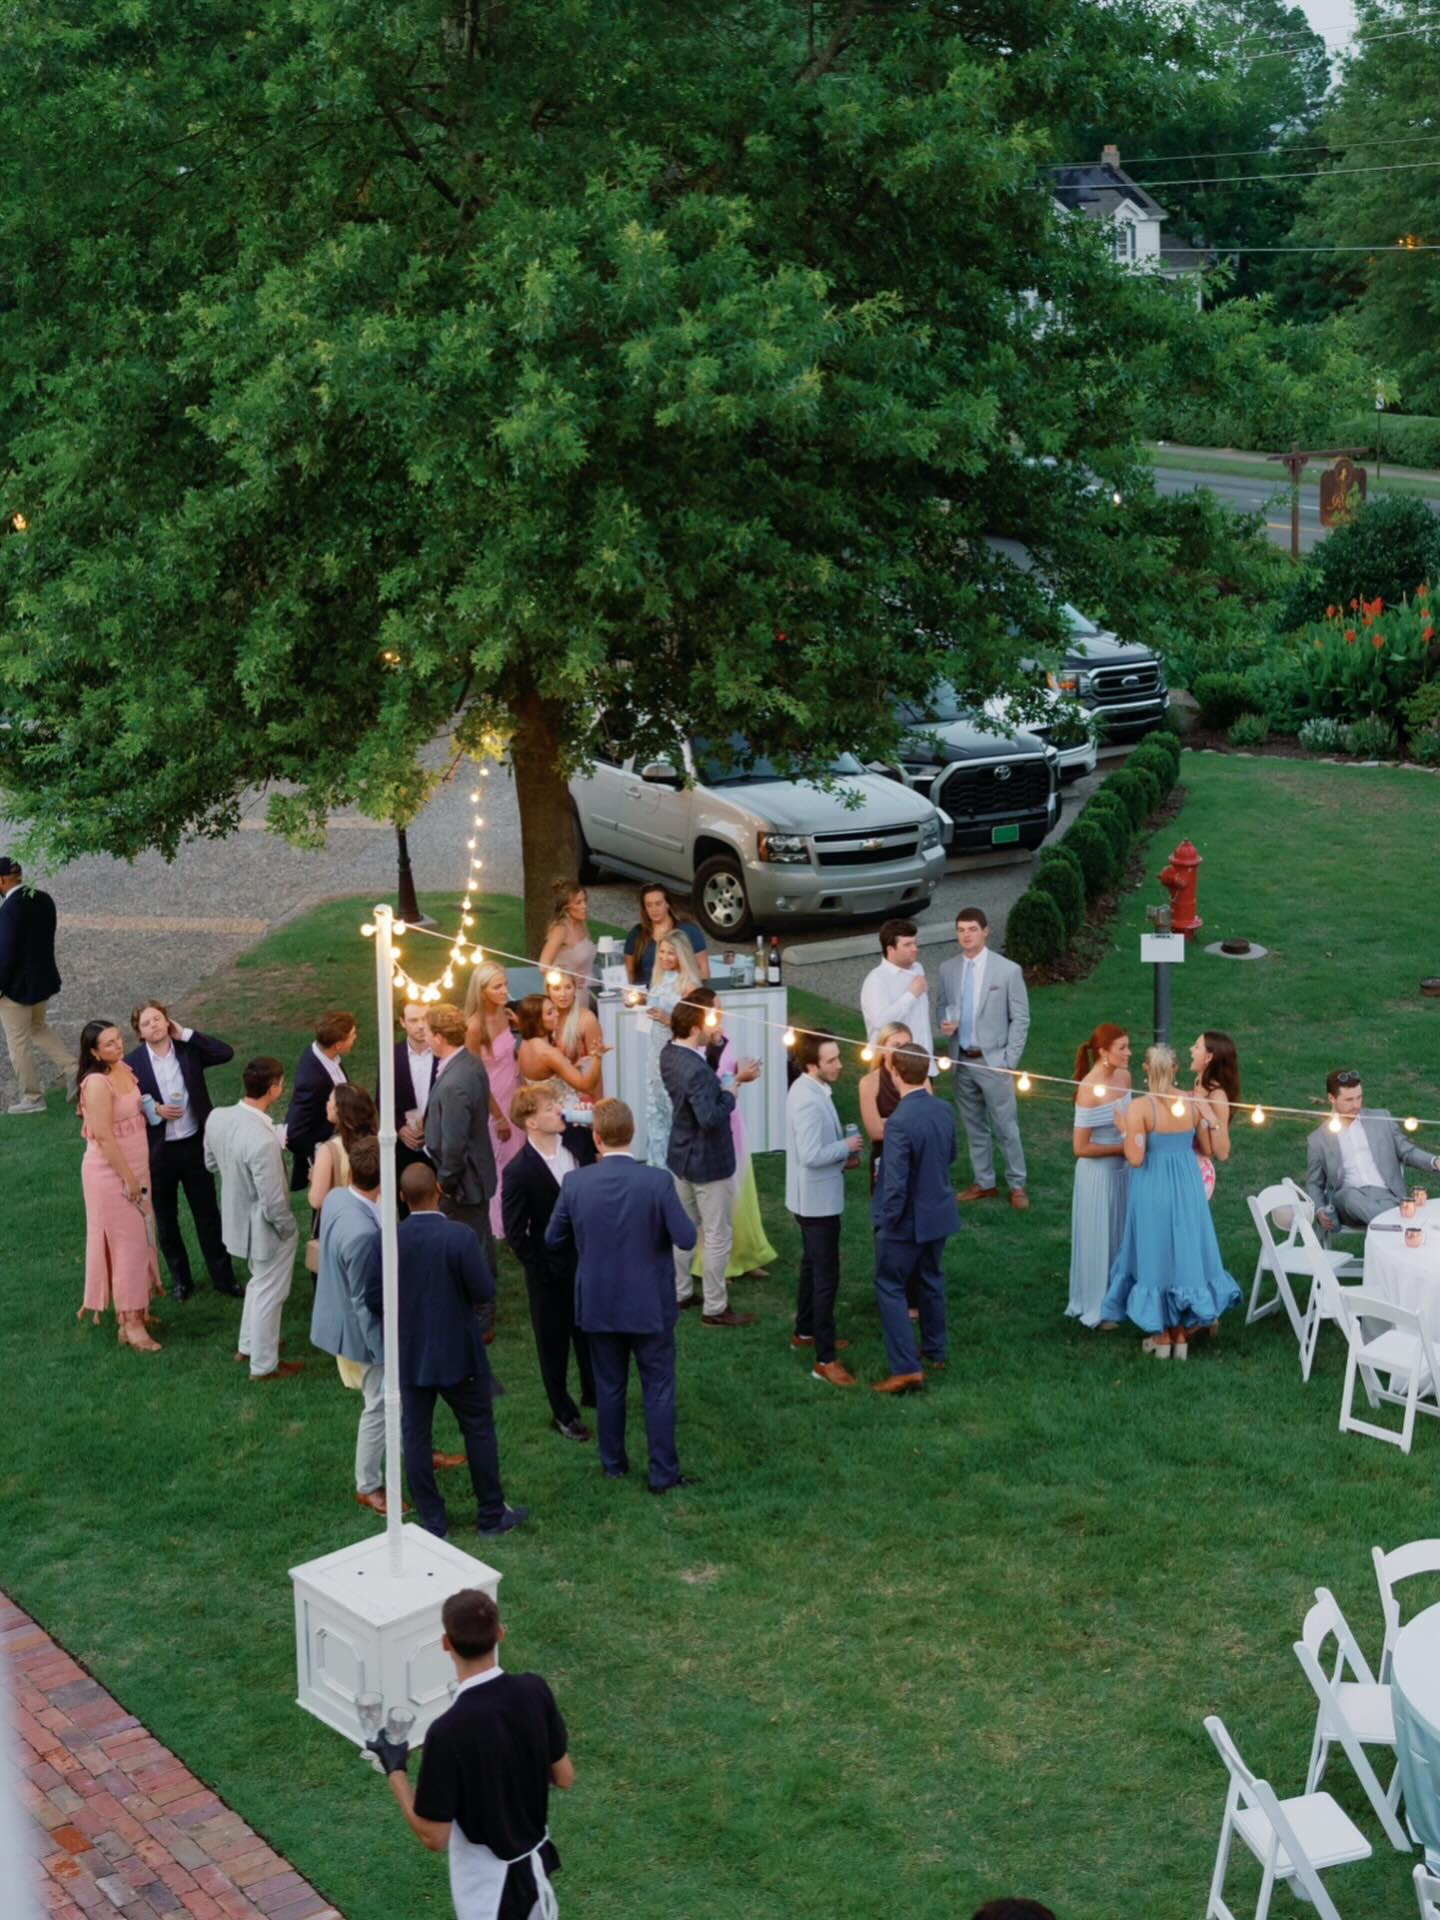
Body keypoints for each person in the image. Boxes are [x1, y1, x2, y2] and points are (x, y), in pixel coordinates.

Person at [369, 1587, 573, 1920]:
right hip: (535, 1873)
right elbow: (564, 1777)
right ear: (500, 1633)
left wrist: (395, 1770)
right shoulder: (534, 1689)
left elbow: (434, 1837)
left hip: (490, 1892)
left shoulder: (447, 1732)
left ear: (446, 1643)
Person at [545, 1098, 699, 1491]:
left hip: (599, 1302)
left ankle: (614, 1465)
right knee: (658, 1388)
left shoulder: (576, 1183)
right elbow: (686, 1237)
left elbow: (552, 1238)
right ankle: (663, 1474)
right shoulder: (656, 1182)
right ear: (631, 1133)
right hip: (650, 1304)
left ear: (596, 1137)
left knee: (609, 1386)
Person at [386, 1162, 526, 1539]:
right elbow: (483, 1290)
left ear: (402, 1197)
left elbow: (372, 1296)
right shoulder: (459, 1236)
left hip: (410, 1354)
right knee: (478, 1430)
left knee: (415, 1437)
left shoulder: (389, 1239)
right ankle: (491, 1516)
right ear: (438, 1191)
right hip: (458, 1353)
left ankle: (433, 1524)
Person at [1099, 1046, 1242, 1359]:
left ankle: (1162, 1336)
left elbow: (1135, 1158)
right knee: (1185, 1253)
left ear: (1146, 1069)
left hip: (1153, 1187)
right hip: (1188, 1187)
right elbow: (1206, 1148)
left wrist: (1125, 1130)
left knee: (1156, 1252)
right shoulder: (1192, 1102)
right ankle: (1180, 1335)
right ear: (1175, 1069)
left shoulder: (1140, 1108)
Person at [500, 1084, 597, 1443]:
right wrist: (541, 1268)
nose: (559, 1110)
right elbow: (515, 1232)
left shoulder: (578, 1143)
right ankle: (564, 1413)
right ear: (531, 1122)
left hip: (588, 1260)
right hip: (549, 1272)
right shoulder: (519, 1170)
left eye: (557, 1104)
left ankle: (594, 1392)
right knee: (553, 1344)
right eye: (549, 1107)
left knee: (590, 1332)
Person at [125, 1001, 240, 1300]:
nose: (154, 1026)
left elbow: (225, 1053)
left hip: (194, 1144)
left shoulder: (188, 1050)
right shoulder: (132, 1063)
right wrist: (154, 1109)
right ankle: (181, 1281)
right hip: (159, 1152)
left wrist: (186, 1033)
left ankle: (223, 1278)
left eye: (158, 1019)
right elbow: (126, 1104)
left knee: (208, 1214)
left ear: (168, 1021)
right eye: (146, 1023)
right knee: (167, 1220)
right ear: (139, 1032)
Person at [204, 1058, 305, 1381]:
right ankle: (263, 1365)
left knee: (259, 1285)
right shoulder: (263, 1141)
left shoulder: (217, 1117)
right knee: (270, 1293)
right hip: (265, 1228)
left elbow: (210, 1163)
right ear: (273, 1089)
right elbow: (274, 1201)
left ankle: (249, 1345)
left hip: (236, 1218)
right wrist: (289, 1228)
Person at [870, 1043, 960, 1393]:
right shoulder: (944, 1109)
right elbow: (950, 1155)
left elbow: (895, 1183)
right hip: (939, 1212)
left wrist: (887, 1221)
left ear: (895, 1073)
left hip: (906, 1220)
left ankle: (906, 1368)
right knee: (930, 1279)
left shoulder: (899, 1122)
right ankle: (935, 1350)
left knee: (890, 1286)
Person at [310, 1135, 392, 1514]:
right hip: (363, 1332)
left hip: (341, 1310)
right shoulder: (363, 1235)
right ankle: (368, 1484)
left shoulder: (337, 1197)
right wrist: (382, 1352)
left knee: (396, 1401)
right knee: (378, 1404)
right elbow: (363, 1302)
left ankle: (413, 1449)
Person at [661, 1001, 754, 1328]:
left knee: (684, 1229)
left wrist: (714, 1051)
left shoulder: (669, 1053)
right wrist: (732, 1089)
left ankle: (681, 1292)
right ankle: (715, 1307)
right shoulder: (697, 1071)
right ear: (694, 1028)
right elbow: (711, 1117)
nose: (714, 1027)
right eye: (708, 1023)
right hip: (708, 1161)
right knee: (717, 1235)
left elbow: (697, 1088)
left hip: (680, 1155)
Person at [75, 1019, 164, 1351]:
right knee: (128, 1245)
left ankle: (138, 1307)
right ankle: (130, 1323)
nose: (118, 1045)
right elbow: (103, 1135)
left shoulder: (123, 1069)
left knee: (142, 1238)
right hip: (112, 1173)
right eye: (109, 1043)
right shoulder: (97, 1083)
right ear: (94, 1052)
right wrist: (128, 1178)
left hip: (137, 1168)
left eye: (118, 1039)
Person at [937, 907, 1031, 1209]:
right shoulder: (947, 969)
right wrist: (944, 1023)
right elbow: (942, 1006)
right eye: (961, 930)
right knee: (974, 1125)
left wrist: (1009, 1059)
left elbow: (1021, 1018)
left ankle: (1017, 1184)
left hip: (994, 1062)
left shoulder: (1007, 970)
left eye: (972, 929)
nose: (966, 935)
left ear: (986, 931)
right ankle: (985, 1182)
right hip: (961, 1059)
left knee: (1006, 1127)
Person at [682, 985, 775, 1279]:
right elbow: (707, 1085)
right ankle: (716, 1262)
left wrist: (744, 1073)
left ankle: (747, 1255)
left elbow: (728, 1076)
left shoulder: (723, 1039)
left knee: (741, 1188)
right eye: (715, 1009)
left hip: (732, 1119)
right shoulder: (692, 1049)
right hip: (710, 1123)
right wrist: (736, 1077)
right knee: (716, 1198)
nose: (720, 1013)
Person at [786, 1032, 861, 1387]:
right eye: (831, 1060)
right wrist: (846, 1147)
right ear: (811, 1065)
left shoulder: (809, 1088)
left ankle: (805, 1332)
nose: (839, 1065)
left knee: (811, 1267)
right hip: (816, 1203)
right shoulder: (808, 1100)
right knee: (825, 1277)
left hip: (811, 1198)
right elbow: (811, 1155)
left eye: (838, 1057)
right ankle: (825, 1359)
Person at [1305, 1068, 1440, 1232]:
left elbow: (1407, 1151)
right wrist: (1319, 1210)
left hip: (1387, 1196)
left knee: (1391, 1209)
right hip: (1348, 1201)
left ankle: (1393, 1229)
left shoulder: (1381, 1118)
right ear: (1331, 1098)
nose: (1356, 1105)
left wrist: (1434, 1161)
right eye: (1349, 1100)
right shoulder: (1318, 1138)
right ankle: (1403, 1228)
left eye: (1359, 1097)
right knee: (1350, 1197)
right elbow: (1314, 1183)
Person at [1066, 1023, 1132, 1329]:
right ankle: (1098, 1304)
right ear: (1104, 1052)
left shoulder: (1124, 1077)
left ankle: (1122, 1297)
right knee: (1100, 1236)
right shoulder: (1089, 1089)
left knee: (1121, 1234)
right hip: (1098, 1175)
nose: (1129, 1053)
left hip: (1124, 1170)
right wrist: (1123, 1147)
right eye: (1122, 1048)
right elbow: (1080, 1147)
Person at [425, 1003, 499, 1270]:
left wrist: (444, 1183)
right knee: (480, 1243)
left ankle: (479, 1294)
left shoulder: (454, 1084)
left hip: (464, 1185)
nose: (424, 1037)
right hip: (475, 1175)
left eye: (427, 1032)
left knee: (468, 1253)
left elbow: (454, 1144)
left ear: (439, 1037)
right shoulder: (470, 1062)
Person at [0, 856, 70, 1115]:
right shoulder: (43, 899)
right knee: (38, 1028)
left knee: (18, 1043)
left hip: (16, 991)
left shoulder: (8, 911)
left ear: (2, 880)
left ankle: (32, 1097)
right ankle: (74, 1069)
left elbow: (5, 955)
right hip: (42, 982)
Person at [464, 963, 523, 1243]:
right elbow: (476, 1077)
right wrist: (498, 1116)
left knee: (518, 1157)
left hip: (514, 1093)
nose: (504, 991)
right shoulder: (474, 1026)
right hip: (492, 1101)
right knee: (502, 1162)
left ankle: (519, 1216)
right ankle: (500, 1225)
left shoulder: (504, 1012)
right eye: (497, 987)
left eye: (505, 984)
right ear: (481, 990)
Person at [643, 932, 702, 1168]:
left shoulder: (689, 986)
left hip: (677, 1054)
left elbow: (694, 1029)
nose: (665, 957)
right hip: (655, 1051)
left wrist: (667, 1019)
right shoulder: (659, 979)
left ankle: (679, 1166)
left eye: (671, 953)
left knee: (674, 1107)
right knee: (655, 1108)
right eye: (662, 951)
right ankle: (658, 1165)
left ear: (682, 955)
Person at [285, 1009, 357, 1190]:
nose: (355, 1038)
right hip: (330, 1157)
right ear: (338, 1045)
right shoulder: (311, 1081)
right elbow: (294, 1134)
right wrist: (323, 1156)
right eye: (352, 1035)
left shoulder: (326, 1055)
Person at [860, 918, 933, 1062]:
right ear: (890, 949)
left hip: (924, 1062)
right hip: (894, 1064)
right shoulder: (876, 979)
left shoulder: (918, 968)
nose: (915, 949)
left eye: (915, 943)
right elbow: (881, 1023)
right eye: (907, 945)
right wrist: (911, 995)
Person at [308, 1083, 379, 1220]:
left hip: (343, 1220)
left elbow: (316, 1200)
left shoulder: (329, 1150)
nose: (327, 1104)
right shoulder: (379, 1143)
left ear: (340, 1109)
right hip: (376, 1217)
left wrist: (315, 1178)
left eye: (330, 1100)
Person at [513, 994, 602, 1098]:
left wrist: (573, 1067)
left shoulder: (524, 1045)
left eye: (554, 1009)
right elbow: (587, 1087)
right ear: (537, 1021)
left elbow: (543, 1077)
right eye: (550, 1013)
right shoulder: (548, 1053)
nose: (557, 1014)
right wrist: (598, 1058)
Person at [624, 882, 710, 987]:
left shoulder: (689, 930)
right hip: (645, 991)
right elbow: (629, 972)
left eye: (658, 904)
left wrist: (700, 993)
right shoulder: (636, 933)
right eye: (649, 905)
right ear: (645, 909)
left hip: (681, 990)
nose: (654, 910)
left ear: (667, 904)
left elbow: (703, 966)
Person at [858, 1022, 911, 1193]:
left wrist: (886, 1122)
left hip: (916, 1155)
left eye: (907, 1045)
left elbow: (928, 1123)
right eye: (896, 1045)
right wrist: (912, 1124)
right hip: (885, 1158)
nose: (902, 1051)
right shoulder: (869, 1082)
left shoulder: (920, 1078)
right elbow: (875, 1132)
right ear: (882, 1049)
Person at [385, 1001, 435, 1181]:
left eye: (425, 1019)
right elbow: (382, 1100)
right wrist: (399, 1128)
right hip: (406, 1145)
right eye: (413, 1020)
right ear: (402, 1022)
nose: (421, 1025)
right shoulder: (391, 1056)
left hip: (438, 1144)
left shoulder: (443, 1053)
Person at [1190, 1029, 1240, 1201]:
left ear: (1208, 1057)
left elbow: (1223, 1153)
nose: (1191, 1050)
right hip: (1186, 1168)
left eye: (1197, 1047)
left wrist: (1211, 1117)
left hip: (1198, 1175)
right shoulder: (1199, 1083)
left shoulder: (1217, 1096)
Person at [546, 972, 608, 1093]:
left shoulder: (587, 1019)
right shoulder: (543, 1019)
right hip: (550, 1095)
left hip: (580, 1095)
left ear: (575, 989)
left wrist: (599, 1101)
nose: (563, 994)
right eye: (556, 988)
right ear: (548, 991)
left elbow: (595, 1068)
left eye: (568, 987)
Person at [538, 880, 598, 1002]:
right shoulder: (560, 929)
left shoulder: (582, 924)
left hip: (588, 991)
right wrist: (569, 980)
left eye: (585, 900)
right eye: (578, 902)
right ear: (566, 908)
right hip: (569, 996)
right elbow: (543, 967)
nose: (584, 906)